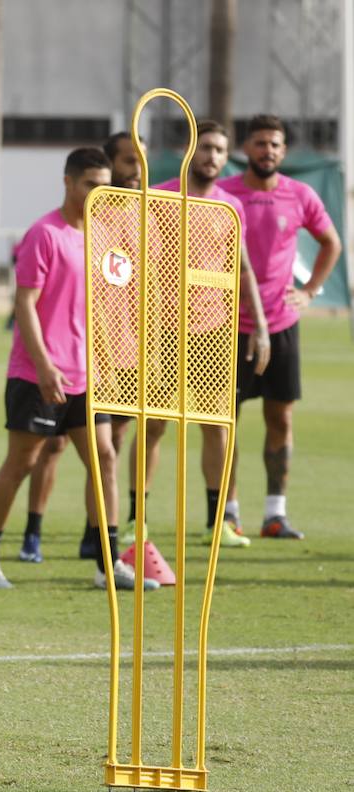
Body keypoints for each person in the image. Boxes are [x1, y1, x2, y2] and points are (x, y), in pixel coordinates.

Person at [0, 147, 158, 592]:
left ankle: (108, 563)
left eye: (104, 184)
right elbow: (24, 304)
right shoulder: (45, 234)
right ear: (69, 183)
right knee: (21, 462)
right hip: (37, 375)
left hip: (89, 375)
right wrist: (44, 365)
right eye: (90, 184)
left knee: (105, 458)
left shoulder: (105, 235)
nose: (99, 192)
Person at [129, 120, 268, 548]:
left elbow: (242, 267)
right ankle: (138, 519)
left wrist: (260, 327)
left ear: (228, 157)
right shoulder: (160, 199)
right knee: (152, 426)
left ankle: (217, 521)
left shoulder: (230, 206)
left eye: (220, 150)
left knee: (217, 428)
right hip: (163, 330)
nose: (212, 157)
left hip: (214, 330)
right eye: (206, 147)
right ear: (191, 151)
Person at [19, 132, 147, 566]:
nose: (135, 170)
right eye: (130, 160)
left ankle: (98, 541)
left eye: (141, 161)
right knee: (49, 448)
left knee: (108, 450)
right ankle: (32, 531)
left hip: (117, 353)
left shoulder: (143, 217)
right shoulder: (75, 226)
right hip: (68, 356)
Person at [217, 114, 341, 539]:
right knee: (223, 424)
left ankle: (275, 514)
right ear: (245, 149)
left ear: (283, 151)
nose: (267, 150)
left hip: (281, 324)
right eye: (259, 143)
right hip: (226, 326)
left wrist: (309, 291)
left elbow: (332, 243)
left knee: (280, 418)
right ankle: (227, 513)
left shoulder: (299, 194)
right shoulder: (223, 194)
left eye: (274, 144)